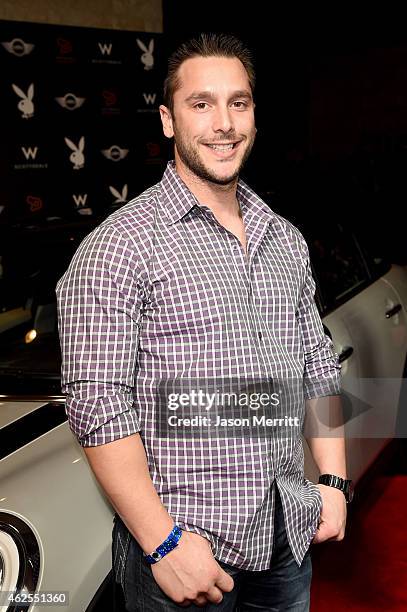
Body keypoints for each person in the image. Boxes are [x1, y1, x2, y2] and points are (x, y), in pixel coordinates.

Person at [56, 33, 350, 611]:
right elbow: (97, 403)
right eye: (201, 104)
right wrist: (163, 543)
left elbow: (318, 364)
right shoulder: (120, 246)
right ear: (168, 120)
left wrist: (334, 483)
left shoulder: (284, 238)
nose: (224, 123)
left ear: (255, 114)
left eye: (238, 103)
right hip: (186, 553)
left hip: (286, 537)